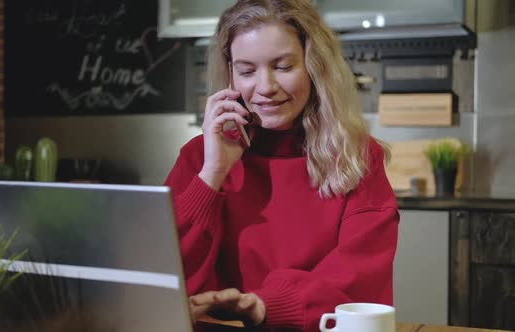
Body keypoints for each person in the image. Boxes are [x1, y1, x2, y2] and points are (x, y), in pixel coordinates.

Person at [164, 0, 399, 331]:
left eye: (284, 67)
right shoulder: (200, 157)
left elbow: (359, 282)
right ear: (230, 74)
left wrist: (264, 306)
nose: (265, 87)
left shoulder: (358, 156)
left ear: (315, 68)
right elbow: (167, 279)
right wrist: (213, 172)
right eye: (247, 70)